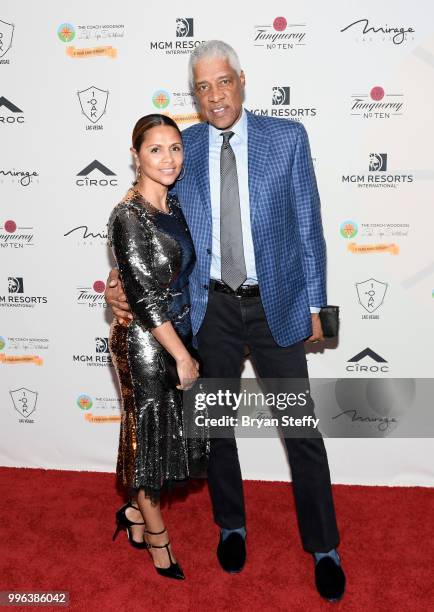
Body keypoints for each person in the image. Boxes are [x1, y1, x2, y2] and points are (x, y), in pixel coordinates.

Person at [106, 41, 346, 601]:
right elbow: (148, 221)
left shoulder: (287, 139)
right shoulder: (181, 148)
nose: (214, 96)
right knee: (216, 430)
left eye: (222, 82)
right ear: (195, 94)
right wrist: (117, 285)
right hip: (210, 308)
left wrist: (321, 310)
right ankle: (231, 526)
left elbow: (310, 227)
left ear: (242, 79)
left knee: (301, 431)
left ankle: (325, 545)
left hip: (276, 306)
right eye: (202, 87)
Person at [108, 113, 208, 581]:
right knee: (147, 440)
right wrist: (182, 356)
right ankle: (158, 541)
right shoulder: (127, 215)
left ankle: (132, 516)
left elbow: (178, 277)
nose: (168, 158)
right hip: (146, 344)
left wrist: (186, 347)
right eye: (155, 149)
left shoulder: (174, 207)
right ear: (136, 156)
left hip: (177, 335)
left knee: (166, 437)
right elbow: (144, 297)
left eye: (175, 148)